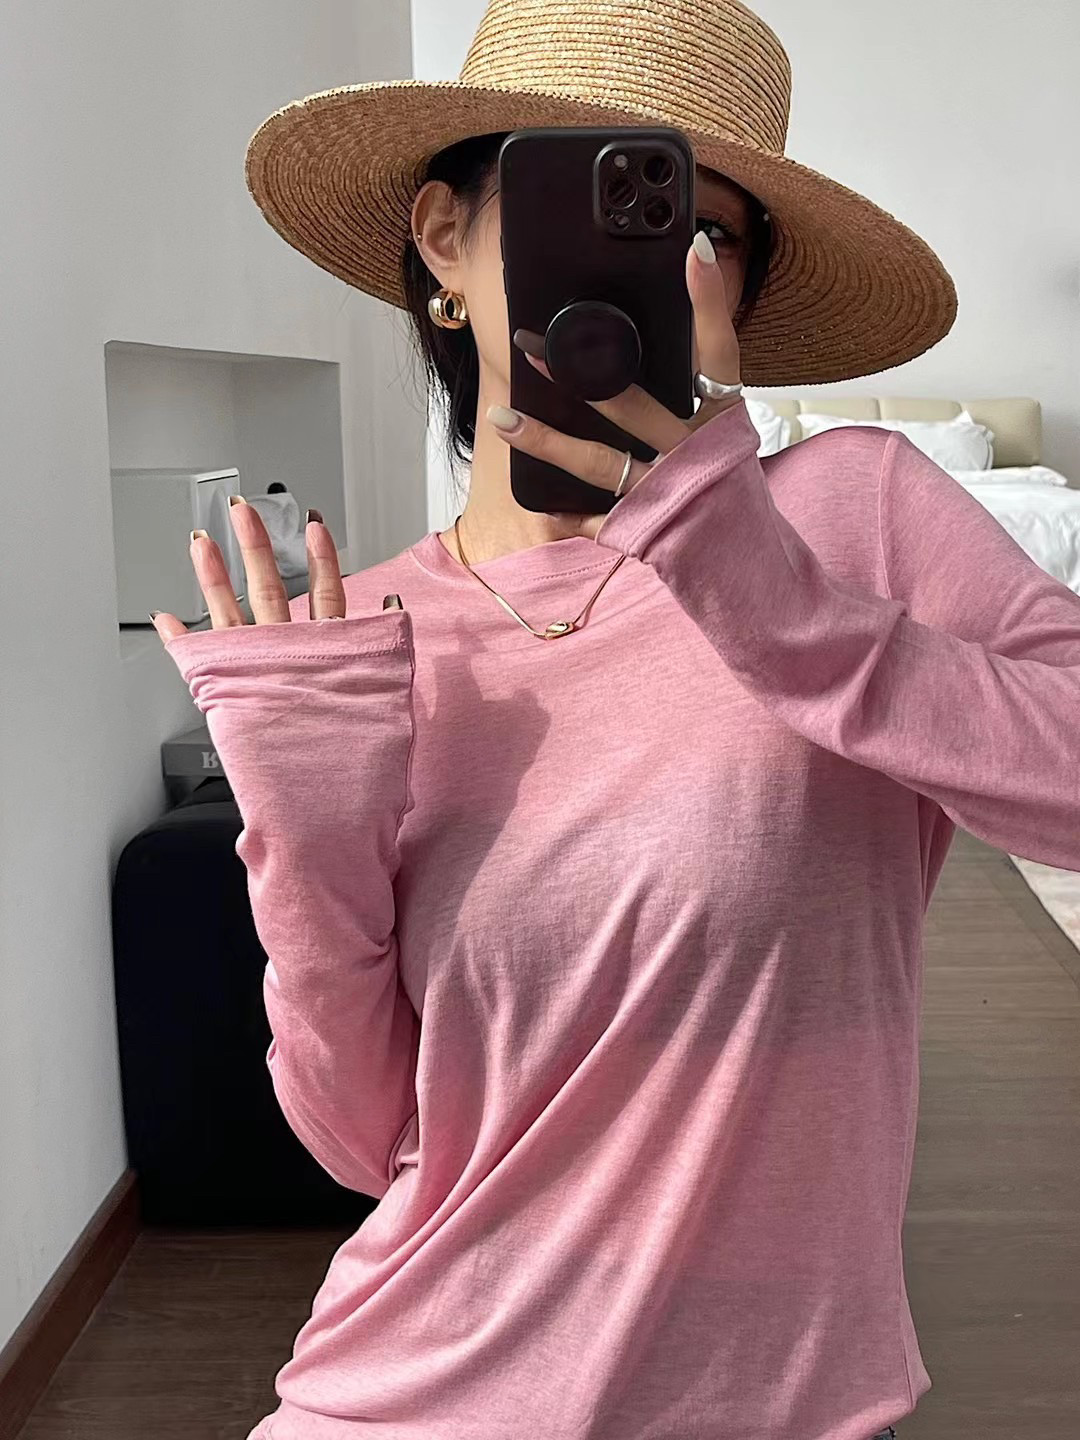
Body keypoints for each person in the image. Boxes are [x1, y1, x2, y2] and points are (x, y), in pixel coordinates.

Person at [150, 2, 1080, 1437]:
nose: (650, 259)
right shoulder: (359, 630)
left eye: (701, 229)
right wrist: (308, 837)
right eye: (575, 199)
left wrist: (755, 579)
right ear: (445, 240)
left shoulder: (852, 514)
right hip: (404, 1391)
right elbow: (362, 1141)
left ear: (740, 294)